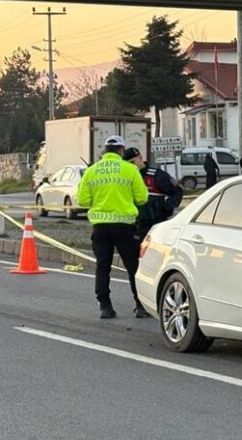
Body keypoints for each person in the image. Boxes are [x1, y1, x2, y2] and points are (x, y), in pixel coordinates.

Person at [76, 136, 150, 320]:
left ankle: (105, 306)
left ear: (104, 151)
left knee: (103, 266)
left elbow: (82, 200)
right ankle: (140, 305)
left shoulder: (91, 171)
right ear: (121, 150)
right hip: (124, 226)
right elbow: (142, 198)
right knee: (133, 267)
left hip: (100, 227)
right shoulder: (130, 169)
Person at [123, 146, 184, 241]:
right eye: (127, 164)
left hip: (156, 225)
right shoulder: (125, 179)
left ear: (140, 158)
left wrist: (165, 209)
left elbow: (177, 192)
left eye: (132, 162)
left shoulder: (156, 175)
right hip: (134, 225)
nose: (131, 166)